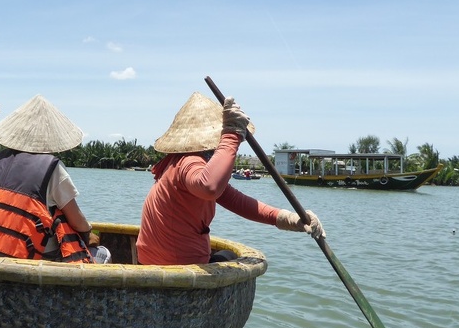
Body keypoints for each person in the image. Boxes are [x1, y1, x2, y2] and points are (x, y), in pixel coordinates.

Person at [136, 92, 325, 265]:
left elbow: (236, 200)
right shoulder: (190, 162)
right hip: (178, 266)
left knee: (225, 255)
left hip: (154, 260)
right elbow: (209, 186)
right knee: (229, 257)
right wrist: (231, 136)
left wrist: (290, 219)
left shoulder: (180, 164)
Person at [0, 94, 110, 264]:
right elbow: (77, 220)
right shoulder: (51, 168)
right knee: (102, 254)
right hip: (22, 261)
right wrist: (89, 232)